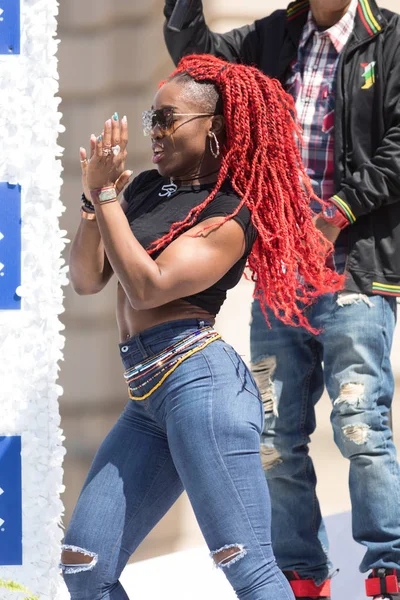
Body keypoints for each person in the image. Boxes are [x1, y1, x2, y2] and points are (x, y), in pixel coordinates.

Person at [60, 53, 342, 600]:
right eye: (151, 120)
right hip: (147, 396)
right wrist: (96, 204)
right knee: (84, 564)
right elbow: (88, 279)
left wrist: (109, 197)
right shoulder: (141, 189)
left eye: (167, 120)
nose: (154, 133)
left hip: (199, 385)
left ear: (214, 129)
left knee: (247, 564)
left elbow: (147, 285)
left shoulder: (231, 211)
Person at [163, 1, 400, 599]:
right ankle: (299, 574)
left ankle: (389, 569)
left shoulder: (390, 38)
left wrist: (337, 214)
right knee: (273, 434)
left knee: (360, 422)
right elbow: (198, 61)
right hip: (281, 276)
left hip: (356, 271)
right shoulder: (277, 34)